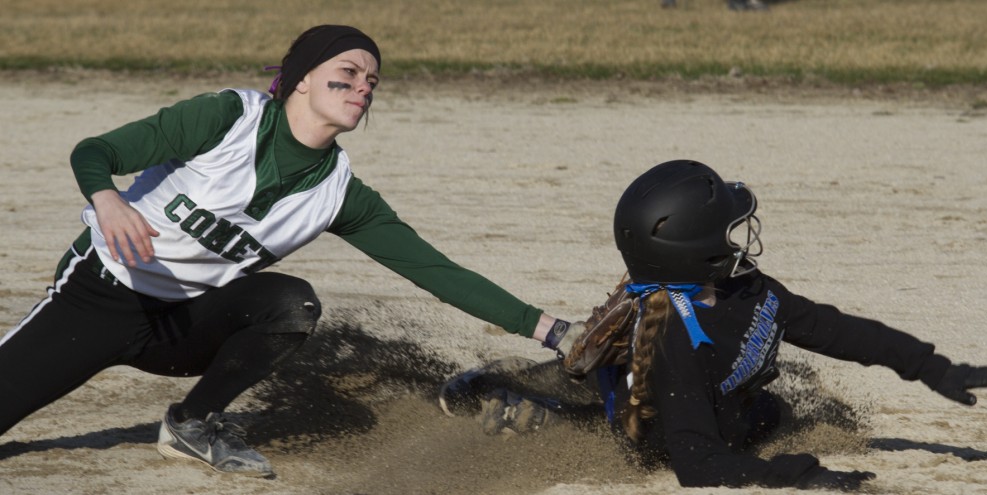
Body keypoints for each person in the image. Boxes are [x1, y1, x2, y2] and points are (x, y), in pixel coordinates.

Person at [0, 25, 579, 478]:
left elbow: (435, 270)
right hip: (97, 298)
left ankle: (194, 424)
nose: (362, 88)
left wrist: (553, 331)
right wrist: (107, 200)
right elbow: (94, 150)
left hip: (185, 324)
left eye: (371, 82)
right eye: (347, 73)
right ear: (301, 78)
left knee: (291, 304)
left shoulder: (340, 195)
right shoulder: (225, 118)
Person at [474, 159, 987, 491]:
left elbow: (834, 329)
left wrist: (929, 365)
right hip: (662, 429)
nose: (740, 237)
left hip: (717, 398)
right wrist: (792, 476)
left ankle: (564, 383)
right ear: (696, 249)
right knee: (646, 419)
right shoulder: (676, 342)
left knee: (773, 410)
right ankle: (544, 403)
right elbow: (695, 462)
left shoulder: (748, 288)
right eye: (729, 230)